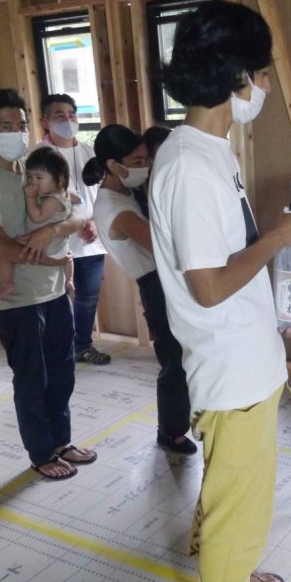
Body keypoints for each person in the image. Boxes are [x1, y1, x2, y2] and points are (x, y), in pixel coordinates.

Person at [149, 0, 291, 582]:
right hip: (229, 369)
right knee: (236, 513)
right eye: (262, 72)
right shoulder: (189, 165)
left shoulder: (212, 153)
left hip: (247, 361)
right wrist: (277, 238)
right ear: (236, 76)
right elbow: (209, 285)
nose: (265, 86)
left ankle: (234, 574)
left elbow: (225, 266)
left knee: (237, 499)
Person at [0, 89, 97, 480]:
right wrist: (53, 256)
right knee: (33, 379)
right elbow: (1, 247)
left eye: (21, 124)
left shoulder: (34, 166)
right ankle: (41, 453)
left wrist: (50, 230)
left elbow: (78, 213)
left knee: (63, 372)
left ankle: (61, 441)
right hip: (16, 300)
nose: (17, 132)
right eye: (7, 126)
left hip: (55, 291)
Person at [84, 124, 197, 455]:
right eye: (137, 161)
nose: (144, 166)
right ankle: (171, 432)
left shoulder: (127, 192)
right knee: (174, 361)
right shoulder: (115, 208)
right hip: (156, 285)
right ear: (113, 165)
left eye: (146, 159)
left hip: (163, 281)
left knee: (181, 357)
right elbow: (165, 249)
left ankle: (180, 423)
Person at [36, 93, 111, 365]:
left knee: (88, 298)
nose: (68, 120)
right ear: (45, 121)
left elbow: (106, 193)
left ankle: (82, 346)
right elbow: (34, 199)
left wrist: (96, 222)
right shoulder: (37, 156)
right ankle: (57, 351)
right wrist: (69, 223)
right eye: (59, 115)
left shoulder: (91, 153)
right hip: (55, 242)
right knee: (55, 299)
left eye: (71, 115)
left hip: (91, 240)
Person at [0, 146, 80, 301]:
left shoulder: (52, 200)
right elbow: (76, 199)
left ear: (59, 179)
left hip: (45, 247)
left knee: (3, 253)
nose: (33, 182)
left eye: (39, 178)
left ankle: (7, 282)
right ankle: (69, 279)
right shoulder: (62, 194)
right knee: (68, 257)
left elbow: (37, 217)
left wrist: (30, 197)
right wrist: (78, 199)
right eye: (30, 177)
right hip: (60, 246)